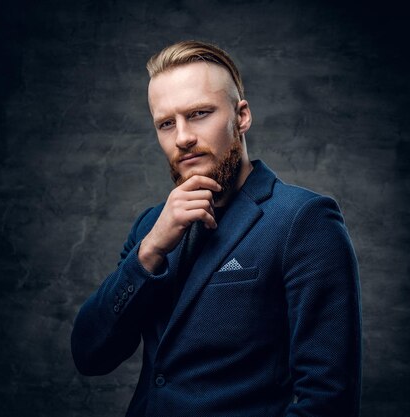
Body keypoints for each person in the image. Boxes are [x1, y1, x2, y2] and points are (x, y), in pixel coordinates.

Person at [71, 40, 361, 417]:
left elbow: (328, 400)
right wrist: (149, 252)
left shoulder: (303, 220)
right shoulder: (150, 227)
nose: (182, 137)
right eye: (165, 123)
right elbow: (90, 355)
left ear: (241, 117)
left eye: (199, 113)